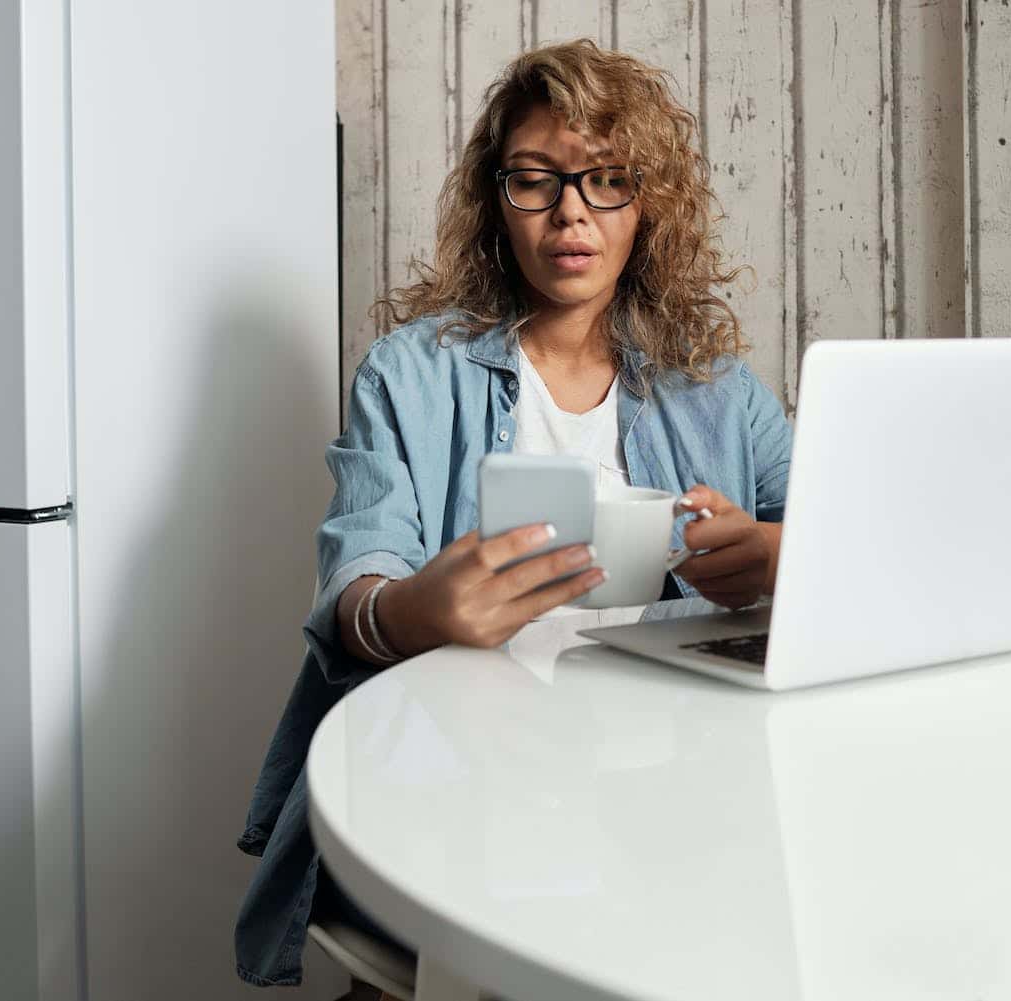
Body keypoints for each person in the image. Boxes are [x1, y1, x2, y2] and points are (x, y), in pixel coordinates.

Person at [234, 38, 793, 990]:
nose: (570, 209)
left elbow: (837, 541)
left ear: (643, 203)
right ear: (499, 203)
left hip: (668, 783)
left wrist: (778, 554)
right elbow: (354, 577)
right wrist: (411, 612)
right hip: (460, 785)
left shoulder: (717, 392)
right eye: (535, 180)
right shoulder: (409, 375)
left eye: (605, 180)